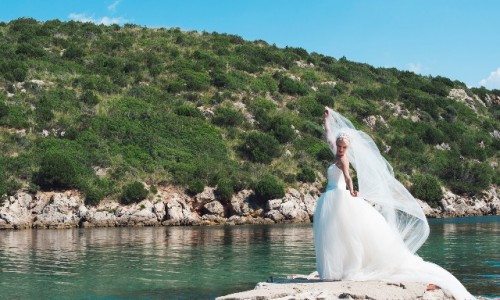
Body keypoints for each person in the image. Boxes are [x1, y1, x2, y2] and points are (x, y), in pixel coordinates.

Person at [313, 107, 476, 300]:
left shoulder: (344, 160)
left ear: (348, 148)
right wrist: (327, 122)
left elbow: (348, 178)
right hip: (331, 197)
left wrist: (351, 191)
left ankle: (345, 269)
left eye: (343, 147)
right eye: (339, 146)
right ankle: (333, 270)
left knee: (344, 235)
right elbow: (329, 138)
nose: (340, 149)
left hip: (340, 197)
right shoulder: (336, 153)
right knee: (334, 234)